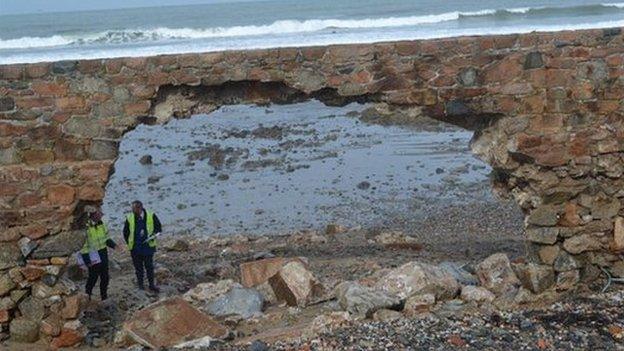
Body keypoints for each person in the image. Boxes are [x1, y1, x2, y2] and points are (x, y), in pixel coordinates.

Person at [123, 200, 162, 293]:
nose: (133, 211)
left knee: (149, 267)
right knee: (138, 268)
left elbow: (158, 228)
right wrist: (130, 244)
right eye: (132, 209)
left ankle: (151, 285)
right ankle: (140, 285)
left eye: (135, 209)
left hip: (148, 246)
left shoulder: (151, 215)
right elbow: (125, 232)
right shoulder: (130, 218)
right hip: (135, 247)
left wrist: (153, 236)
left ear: (140, 208)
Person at [81, 207, 117, 301]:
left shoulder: (102, 224)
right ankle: (87, 295)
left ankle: (104, 296)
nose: (101, 215)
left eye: (101, 213)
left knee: (105, 277)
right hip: (92, 256)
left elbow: (106, 239)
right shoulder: (86, 227)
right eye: (99, 213)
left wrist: (114, 246)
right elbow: (83, 245)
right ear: (93, 215)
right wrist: (87, 261)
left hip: (103, 253)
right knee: (93, 277)